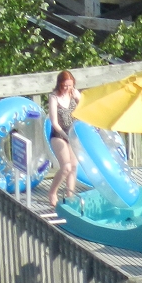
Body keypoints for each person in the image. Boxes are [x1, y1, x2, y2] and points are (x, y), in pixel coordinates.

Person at [46, 71, 82, 210]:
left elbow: (84, 108)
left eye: (70, 85)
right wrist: (65, 136)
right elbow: (54, 122)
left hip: (73, 134)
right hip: (59, 135)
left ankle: (70, 196)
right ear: (60, 84)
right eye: (65, 86)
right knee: (66, 167)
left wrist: (77, 98)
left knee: (73, 166)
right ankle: (52, 192)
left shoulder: (74, 93)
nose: (67, 88)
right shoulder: (54, 97)